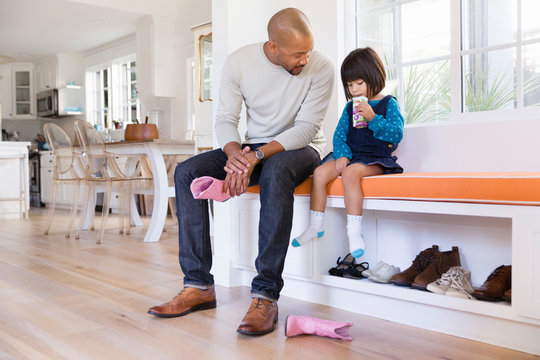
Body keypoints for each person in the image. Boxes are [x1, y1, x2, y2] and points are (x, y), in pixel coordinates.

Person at [147, 8, 335, 336]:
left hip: (300, 148)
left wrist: (256, 157)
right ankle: (198, 285)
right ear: (273, 47)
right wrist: (236, 156)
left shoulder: (322, 67)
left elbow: (305, 129)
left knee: (276, 170)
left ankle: (265, 295)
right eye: (297, 54)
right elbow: (224, 119)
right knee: (185, 172)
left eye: (308, 51)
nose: (305, 60)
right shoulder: (238, 63)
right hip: (253, 147)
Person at [291, 47, 404, 259]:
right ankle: (315, 225)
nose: (354, 90)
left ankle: (354, 233)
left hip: (375, 157)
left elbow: (396, 135)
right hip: (350, 154)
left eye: (358, 83)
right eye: (350, 85)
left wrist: (373, 118)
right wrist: (342, 154)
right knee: (320, 174)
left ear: (374, 76)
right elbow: (339, 134)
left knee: (351, 174)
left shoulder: (389, 103)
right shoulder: (349, 107)